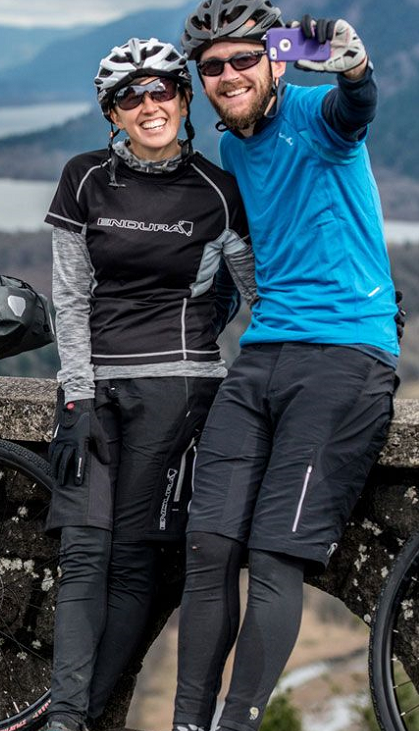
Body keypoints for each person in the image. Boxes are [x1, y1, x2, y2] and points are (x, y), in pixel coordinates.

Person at [172, 3, 400, 731]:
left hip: (344, 354)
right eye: (213, 67)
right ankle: (186, 723)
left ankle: (234, 723)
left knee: (275, 555)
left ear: (274, 58)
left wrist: (356, 68)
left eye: (243, 59)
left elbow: (355, 106)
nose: (229, 75)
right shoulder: (234, 148)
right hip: (263, 352)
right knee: (208, 545)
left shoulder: (315, 114)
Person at [41, 37, 257, 731]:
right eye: (130, 96)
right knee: (82, 555)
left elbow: (262, 291)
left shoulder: (218, 191)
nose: (149, 104)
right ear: (112, 112)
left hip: (181, 390)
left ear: (185, 98)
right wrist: (77, 396)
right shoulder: (84, 178)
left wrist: (353, 306)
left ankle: (80, 714)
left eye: (162, 89)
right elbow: (70, 299)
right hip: (95, 389)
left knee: (133, 562)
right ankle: (66, 719)